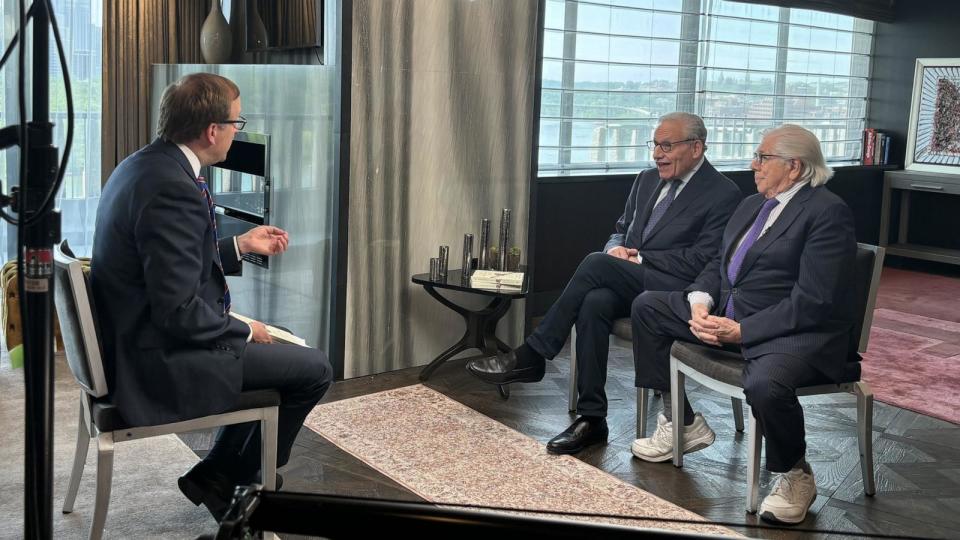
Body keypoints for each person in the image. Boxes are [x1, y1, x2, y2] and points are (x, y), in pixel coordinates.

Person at [90, 73, 333, 521]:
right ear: (212, 130)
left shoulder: (147, 165)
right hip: (156, 359)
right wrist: (244, 327)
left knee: (290, 344)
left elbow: (163, 266)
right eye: (238, 123)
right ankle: (246, 483)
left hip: (134, 337)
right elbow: (179, 312)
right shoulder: (174, 188)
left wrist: (239, 244)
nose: (238, 132)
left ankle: (220, 474)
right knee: (316, 368)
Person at [467, 112, 742, 455]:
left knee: (596, 265)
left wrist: (638, 259)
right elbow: (621, 228)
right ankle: (592, 418)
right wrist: (615, 248)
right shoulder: (646, 180)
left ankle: (534, 354)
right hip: (634, 281)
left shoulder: (723, 193)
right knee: (595, 300)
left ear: (697, 147)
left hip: (676, 289)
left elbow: (704, 259)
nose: (657, 153)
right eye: (655, 144)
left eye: (667, 145)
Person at [629, 124, 858, 525]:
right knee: (648, 307)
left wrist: (743, 331)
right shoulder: (752, 204)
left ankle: (795, 473)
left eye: (762, 157)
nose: (753, 164)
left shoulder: (827, 213)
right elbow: (719, 268)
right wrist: (700, 303)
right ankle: (682, 424)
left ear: (795, 167)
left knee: (766, 385)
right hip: (732, 319)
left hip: (792, 333)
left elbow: (813, 302)